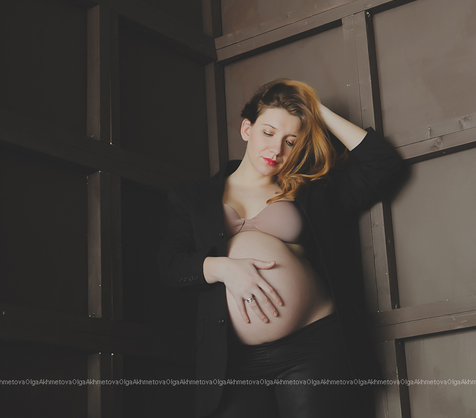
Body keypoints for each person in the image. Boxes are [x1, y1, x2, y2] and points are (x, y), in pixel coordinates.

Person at [158, 79, 403, 418]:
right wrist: (222, 268)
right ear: (247, 129)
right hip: (232, 359)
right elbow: (170, 265)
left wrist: (316, 111)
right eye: (268, 133)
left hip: (314, 345)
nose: (276, 150)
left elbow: (382, 164)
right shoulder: (194, 198)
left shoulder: (311, 192)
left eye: (290, 141)